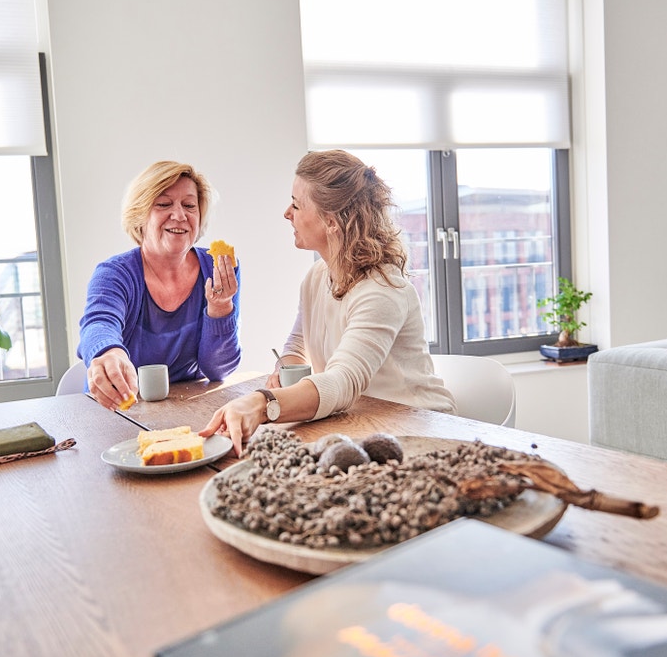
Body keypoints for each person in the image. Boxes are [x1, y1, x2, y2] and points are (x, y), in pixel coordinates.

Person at [202, 150, 454, 455]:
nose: (287, 213)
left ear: (331, 221)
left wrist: (262, 401)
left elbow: (343, 381)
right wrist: (285, 373)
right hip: (358, 428)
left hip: (421, 432)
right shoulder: (316, 277)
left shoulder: (383, 291)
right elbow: (296, 348)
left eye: (296, 205)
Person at [78, 160, 241, 411]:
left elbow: (218, 370)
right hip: (121, 408)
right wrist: (109, 352)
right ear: (140, 216)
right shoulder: (114, 273)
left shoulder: (218, 268)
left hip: (187, 407)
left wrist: (220, 307)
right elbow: (99, 324)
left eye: (189, 205)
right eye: (164, 204)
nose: (179, 215)